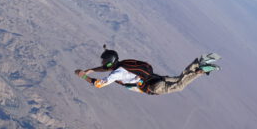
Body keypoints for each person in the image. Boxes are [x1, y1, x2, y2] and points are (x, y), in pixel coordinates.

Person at [75, 44, 220, 95]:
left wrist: (83, 76)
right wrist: (91, 70)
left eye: (104, 61)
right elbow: (107, 68)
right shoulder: (124, 64)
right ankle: (198, 65)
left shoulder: (116, 73)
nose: (103, 63)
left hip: (153, 87)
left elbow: (99, 84)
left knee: (180, 86)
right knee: (179, 78)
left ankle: (200, 71)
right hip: (156, 78)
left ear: (109, 63)